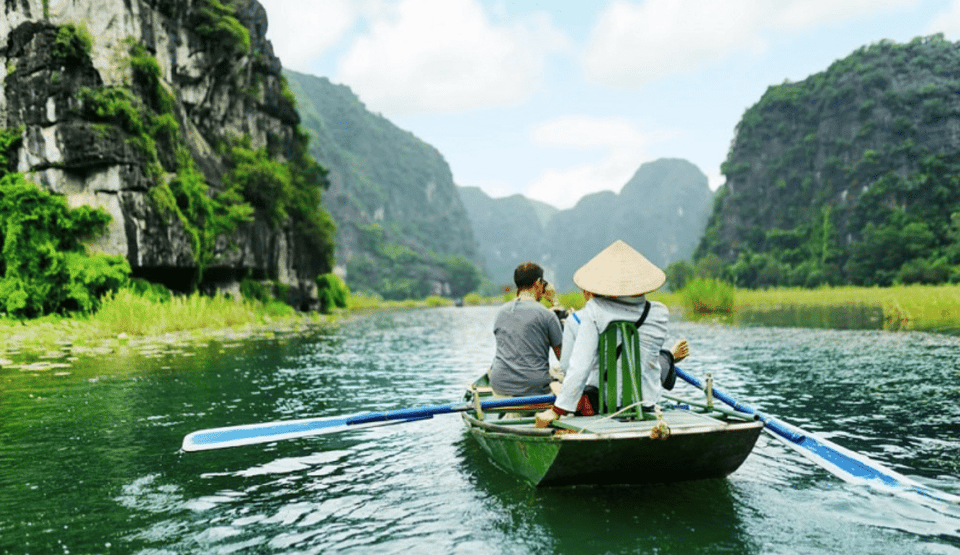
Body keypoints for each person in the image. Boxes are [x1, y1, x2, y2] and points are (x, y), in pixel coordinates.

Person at [536, 240, 674, 426]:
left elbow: (579, 366)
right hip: (649, 404)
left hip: (606, 405)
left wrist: (557, 410)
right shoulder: (660, 313)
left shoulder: (595, 310)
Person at [488, 262, 563, 397]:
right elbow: (562, 357)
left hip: (499, 387)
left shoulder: (501, 312)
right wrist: (554, 302)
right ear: (539, 283)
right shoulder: (547, 315)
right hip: (535, 390)